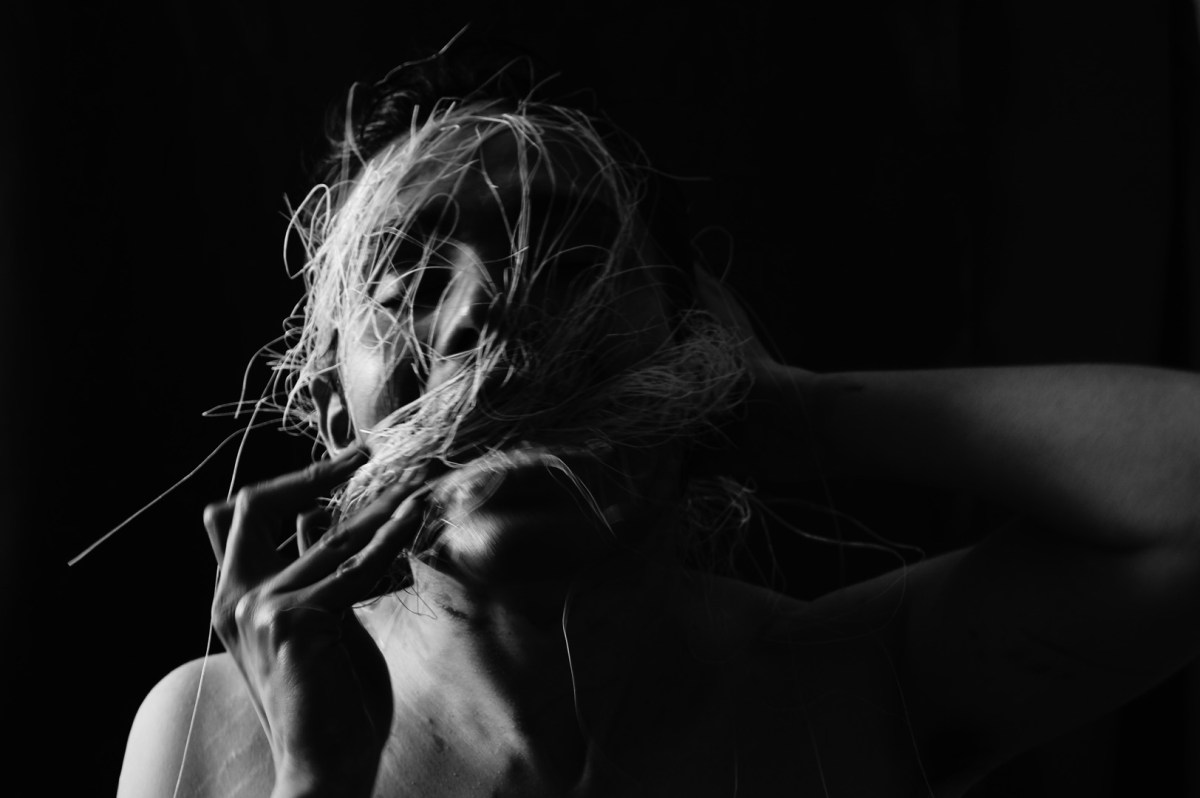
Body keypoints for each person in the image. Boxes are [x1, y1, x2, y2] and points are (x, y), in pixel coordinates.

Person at [116, 49, 1200, 798]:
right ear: (327, 408)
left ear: (687, 355)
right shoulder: (217, 733)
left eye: (575, 262)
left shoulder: (854, 683)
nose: (488, 310)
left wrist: (791, 410)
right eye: (408, 279)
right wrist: (315, 784)